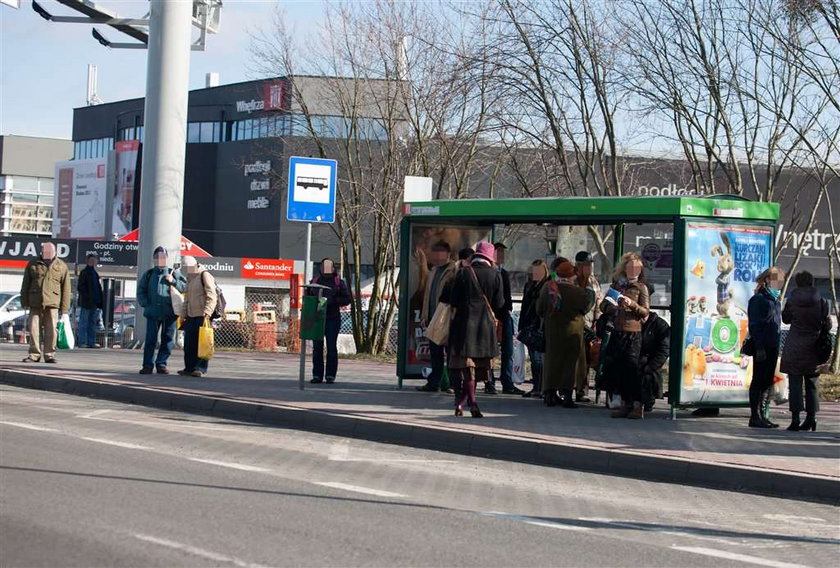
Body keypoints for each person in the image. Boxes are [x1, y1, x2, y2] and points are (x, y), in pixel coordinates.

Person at [448, 242, 506, 418]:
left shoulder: (463, 273)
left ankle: (464, 403)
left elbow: (453, 300)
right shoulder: (496, 275)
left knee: (467, 370)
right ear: (490, 258)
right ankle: (468, 403)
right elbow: (499, 304)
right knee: (474, 370)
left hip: (463, 326)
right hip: (485, 328)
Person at [537, 261, 596, 407]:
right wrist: (590, 291)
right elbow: (586, 307)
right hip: (572, 332)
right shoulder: (577, 292)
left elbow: (539, 309)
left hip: (552, 332)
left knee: (552, 362)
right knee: (571, 364)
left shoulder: (548, 288)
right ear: (572, 275)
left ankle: (550, 394)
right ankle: (568, 396)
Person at [601, 252, 650, 419]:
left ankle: (637, 405)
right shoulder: (617, 286)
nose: (632, 271)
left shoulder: (641, 287)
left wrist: (632, 304)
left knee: (632, 369)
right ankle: (624, 403)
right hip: (618, 330)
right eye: (629, 267)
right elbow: (602, 306)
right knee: (619, 369)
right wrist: (612, 307)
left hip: (633, 333)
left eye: (636, 268)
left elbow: (645, 312)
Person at [781, 271, 830, 432]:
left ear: (798, 283)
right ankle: (811, 419)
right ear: (811, 282)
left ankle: (795, 420)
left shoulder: (792, 300)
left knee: (795, 383)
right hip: (814, 346)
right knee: (812, 383)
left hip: (795, 344)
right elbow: (826, 323)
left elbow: (786, 319)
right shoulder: (821, 301)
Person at [137, 246, 186, 374]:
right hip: (152, 313)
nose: (160, 260)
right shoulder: (148, 275)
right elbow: (141, 291)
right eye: (157, 257)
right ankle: (147, 365)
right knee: (151, 340)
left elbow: (184, 287)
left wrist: (173, 281)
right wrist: (146, 304)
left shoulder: (173, 272)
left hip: (170, 313)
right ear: (154, 259)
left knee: (168, 340)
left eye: (163, 257)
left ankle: (161, 364)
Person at [417, 241, 458, 392]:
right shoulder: (434, 271)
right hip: (433, 318)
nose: (438, 255)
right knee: (435, 353)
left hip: (447, 318)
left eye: (441, 252)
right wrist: (424, 315)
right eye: (435, 252)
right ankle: (434, 382)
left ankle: (454, 384)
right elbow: (427, 295)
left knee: (451, 353)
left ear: (448, 253)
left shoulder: (454, 270)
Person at [20, 242, 71, 364]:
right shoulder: (33, 264)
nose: (45, 254)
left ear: (54, 252)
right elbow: (25, 284)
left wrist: (64, 310)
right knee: (33, 329)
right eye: (44, 251)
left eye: (48, 252)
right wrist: (24, 301)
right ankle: (34, 354)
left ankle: (49, 354)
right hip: (35, 303)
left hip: (52, 304)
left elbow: (66, 289)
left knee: (52, 330)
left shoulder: (61, 266)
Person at [747, 266, 784, 428]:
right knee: (758, 380)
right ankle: (755, 416)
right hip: (762, 345)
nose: (779, 283)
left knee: (768, 381)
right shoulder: (759, 299)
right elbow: (754, 325)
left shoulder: (775, 300)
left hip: (773, 344)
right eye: (776, 279)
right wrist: (760, 346)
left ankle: (763, 415)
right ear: (767, 280)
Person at [485, 242, 525, 395]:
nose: (502, 255)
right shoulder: (489, 272)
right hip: (491, 316)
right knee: (490, 351)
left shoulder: (504, 273)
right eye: (498, 252)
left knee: (508, 350)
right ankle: (489, 381)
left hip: (505, 315)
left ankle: (507, 382)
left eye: (503, 252)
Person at [309, 257, 351, 384]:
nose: (326, 268)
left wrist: (332, 301)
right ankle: (317, 375)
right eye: (323, 266)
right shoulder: (315, 281)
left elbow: (347, 299)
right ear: (320, 268)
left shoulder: (339, 282)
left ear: (333, 268)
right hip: (317, 319)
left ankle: (330, 375)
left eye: (329, 266)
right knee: (317, 348)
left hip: (333, 319)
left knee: (331, 347)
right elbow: (308, 297)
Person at [441, 247, 475, 400]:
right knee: (469, 364)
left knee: (454, 360)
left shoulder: (452, 276)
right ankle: (468, 396)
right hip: (471, 327)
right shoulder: (473, 278)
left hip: (454, 324)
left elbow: (445, 299)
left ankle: (457, 394)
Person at [179, 255, 217, 378]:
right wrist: (183, 314)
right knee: (189, 343)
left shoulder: (204, 275)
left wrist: (208, 311)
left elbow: (212, 295)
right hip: (191, 315)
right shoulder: (190, 278)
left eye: (188, 267)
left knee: (203, 343)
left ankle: (200, 368)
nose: (187, 270)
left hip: (203, 315)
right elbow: (187, 298)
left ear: (194, 265)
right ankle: (189, 368)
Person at [518, 260, 550, 398]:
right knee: (533, 357)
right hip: (529, 324)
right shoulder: (529, 285)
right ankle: (537, 386)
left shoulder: (547, 285)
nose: (535, 273)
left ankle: (541, 387)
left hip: (541, 325)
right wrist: (521, 325)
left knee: (539, 359)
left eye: (539, 270)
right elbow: (525, 306)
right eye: (534, 270)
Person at [574, 251, 602, 402]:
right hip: (576, 324)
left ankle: (582, 390)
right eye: (586, 264)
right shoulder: (574, 280)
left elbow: (598, 302)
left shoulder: (593, 281)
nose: (589, 267)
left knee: (586, 359)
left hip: (589, 326)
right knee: (574, 359)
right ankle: (569, 389)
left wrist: (597, 322)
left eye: (590, 264)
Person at [640, 308, 671, 412]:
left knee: (648, 373)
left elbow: (664, 350)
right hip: (636, 357)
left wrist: (652, 365)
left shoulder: (660, 325)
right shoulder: (632, 322)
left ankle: (647, 401)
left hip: (650, 359)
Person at [76, 253, 103, 349]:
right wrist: (87, 297)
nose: (93, 262)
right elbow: (81, 287)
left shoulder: (95, 274)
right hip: (87, 302)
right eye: (91, 260)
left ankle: (91, 342)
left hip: (94, 302)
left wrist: (99, 301)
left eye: (95, 260)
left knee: (92, 323)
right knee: (84, 322)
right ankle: (82, 341)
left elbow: (98, 288)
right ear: (87, 261)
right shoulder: (85, 272)